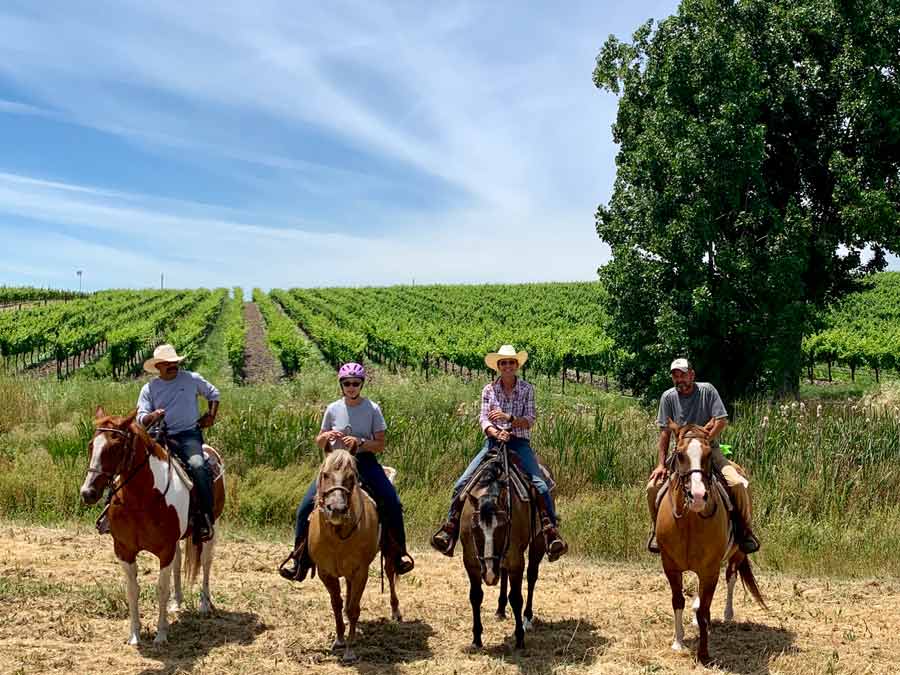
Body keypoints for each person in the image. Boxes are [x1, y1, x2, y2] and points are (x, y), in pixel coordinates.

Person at [430, 345, 567, 561]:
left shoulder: (527, 389)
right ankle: (450, 529)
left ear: (517, 365)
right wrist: (495, 431)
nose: (507, 366)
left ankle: (550, 532)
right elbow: (483, 418)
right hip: (493, 444)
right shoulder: (488, 390)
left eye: (511, 362)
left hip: (519, 443)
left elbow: (530, 419)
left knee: (540, 485)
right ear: (498, 366)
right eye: (503, 363)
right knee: (461, 483)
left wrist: (510, 419)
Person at [280, 362, 414, 581]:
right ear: (341, 385)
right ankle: (300, 559)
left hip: (364, 461)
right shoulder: (333, 408)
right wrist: (326, 437)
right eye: (347, 383)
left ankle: (398, 554)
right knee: (305, 506)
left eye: (355, 383)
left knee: (392, 501)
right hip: (335, 463)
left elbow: (380, 444)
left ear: (361, 384)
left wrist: (360, 441)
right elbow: (319, 438)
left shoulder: (372, 408)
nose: (351, 387)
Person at [646, 358, 760, 555]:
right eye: (675, 375)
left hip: (709, 448)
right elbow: (665, 432)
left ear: (692, 374)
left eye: (683, 374)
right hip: (682, 452)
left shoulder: (707, 390)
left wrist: (705, 441)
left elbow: (721, 420)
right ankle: (657, 530)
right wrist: (660, 464)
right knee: (652, 488)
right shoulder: (668, 397)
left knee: (737, 483)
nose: (679, 379)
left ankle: (745, 530)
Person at [137, 343, 220, 542]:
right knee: (131, 465)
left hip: (187, 436)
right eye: (167, 363)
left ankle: (205, 517)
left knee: (198, 466)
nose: (172, 366)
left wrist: (210, 415)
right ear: (158, 367)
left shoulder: (191, 379)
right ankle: (113, 512)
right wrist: (153, 416)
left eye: (174, 362)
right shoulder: (149, 389)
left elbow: (214, 394)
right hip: (159, 436)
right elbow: (140, 418)